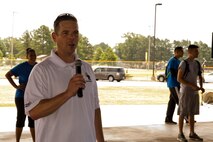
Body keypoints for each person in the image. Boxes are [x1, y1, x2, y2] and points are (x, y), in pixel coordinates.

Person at [24, 13, 105, 142]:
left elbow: (95, 108)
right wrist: (67, 93)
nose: (72, 38)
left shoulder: (87, 68)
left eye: (75, 33)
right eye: (65, 33)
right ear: (54, 37)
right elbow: (34, 112)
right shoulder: (41, 70)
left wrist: (101, 140)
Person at [5, 48, 36, 142]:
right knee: (20, 119)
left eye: (34, 55)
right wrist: (16, 86)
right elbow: (8, 75)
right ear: (27, 56)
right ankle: (17, 140)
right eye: (31, 55)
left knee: (33, 119)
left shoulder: (38, 67)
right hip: (21, 97)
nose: (33, 57)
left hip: (34, 97)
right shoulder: (21, 66)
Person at [177, 44, 205, 142]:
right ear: (190, 52)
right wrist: (192, 85)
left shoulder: (197, 63)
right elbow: (179, 78)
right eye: (196, 51)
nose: (198, 53)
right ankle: (180, 134)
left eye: (198, 51)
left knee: (192, 113)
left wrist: (201, 86)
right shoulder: (184, 63)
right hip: (185, 92)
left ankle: (192, 133)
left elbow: (200, 76)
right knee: (182, 112)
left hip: (194, 92)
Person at [165, 46, 184, 124]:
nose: (183, 53)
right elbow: (172, 71)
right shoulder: (172, 61)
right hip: (174, 83)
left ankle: (168, 118)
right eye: (181, 51)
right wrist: (179, 79)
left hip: (174, 83)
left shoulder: (178, 61)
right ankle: (186, 118)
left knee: (172, 101)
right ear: (176, 52)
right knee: (180, 101)